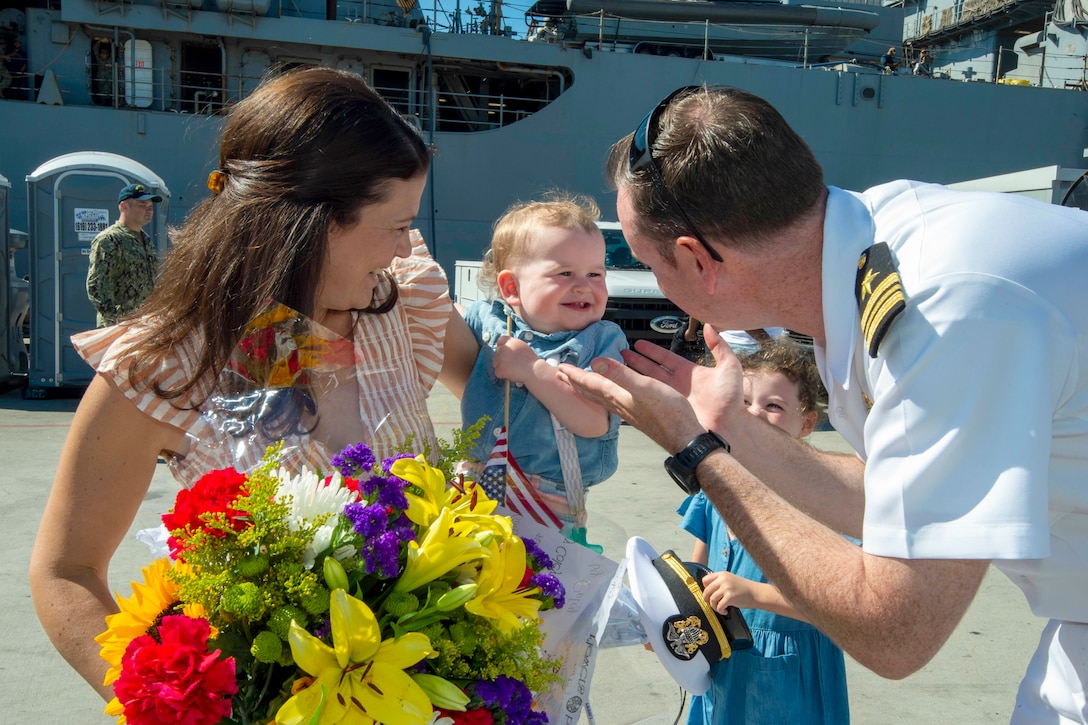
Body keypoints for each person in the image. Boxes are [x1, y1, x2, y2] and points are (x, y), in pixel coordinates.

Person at [557, 85, 1088, 724]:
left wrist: (698, 454)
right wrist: (731, 431)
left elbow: (897, 630)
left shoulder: (944, 313)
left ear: (698, 261)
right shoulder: (873, 243)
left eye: (648, 263)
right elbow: (895, 495)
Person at [29, 67, 479, 701]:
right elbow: (65, 571)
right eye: (394, 224)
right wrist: (170, 704)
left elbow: (494, 391)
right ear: (311, 225)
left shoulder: (405, 300)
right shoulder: (165, 364)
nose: (405, 244)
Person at [679, 339, 849, 724]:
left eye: (773, 406)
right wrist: (677, 622)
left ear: (806, 422)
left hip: (788, 675)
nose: (753, 413)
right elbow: (695, 571)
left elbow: (838, 606)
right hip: (722, 661)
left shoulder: (819, 502)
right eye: (743, 401)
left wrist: (753, 593)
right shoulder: (715, 485)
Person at [460, 193, 628, 533]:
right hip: (474, 479)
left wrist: (534, 371)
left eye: (596, 274)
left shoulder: (601, 341)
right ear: (511, 287)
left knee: (532, 583)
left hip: (549, 501)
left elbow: (595, 422)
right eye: (565, 273)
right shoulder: (488, 321)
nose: (584, 286)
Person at [85, 183, 163, 327]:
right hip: (118, 328)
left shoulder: (145, 241)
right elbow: (96, 286)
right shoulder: (109, 240)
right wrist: (118, 320)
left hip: (144, 324)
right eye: (142, 205)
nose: (149, 210)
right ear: (124, 206)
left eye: (150, 207)